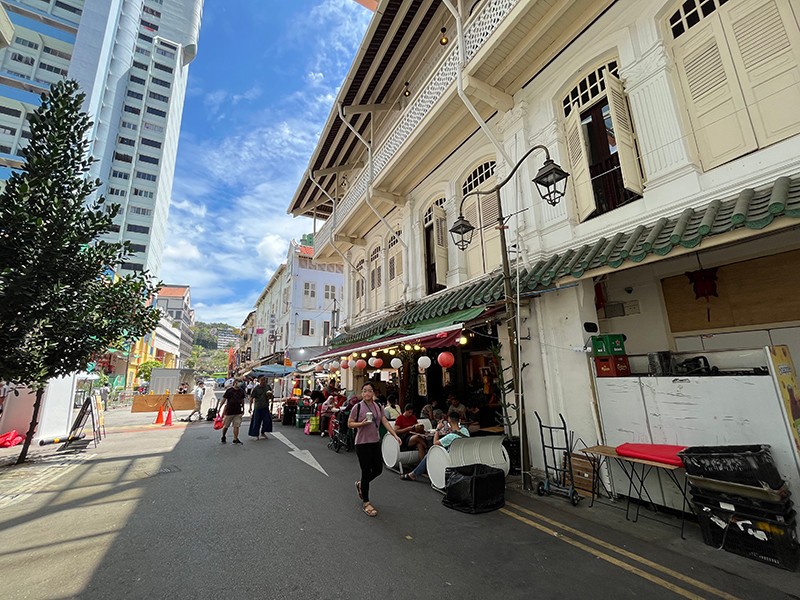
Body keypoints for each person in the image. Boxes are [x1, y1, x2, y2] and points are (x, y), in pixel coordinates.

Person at [349, 382, 401, 517]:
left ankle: (361, 484)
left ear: (373, 393)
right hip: (361, 443)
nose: (367, 393)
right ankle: (366, 502)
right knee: (366, 471)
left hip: (375, 442)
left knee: (378, 469)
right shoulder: (357, 407)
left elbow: (384, 420)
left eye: (370, 391)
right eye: (364, 391)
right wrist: (361, 424)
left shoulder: (378, 406)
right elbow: (349, 423)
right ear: (361, 393)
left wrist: (394, 435)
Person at [401, 409, 469, 481]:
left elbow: (435, 443)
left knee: (430, 453)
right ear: (459, 420)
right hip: (462, 456)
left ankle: (413, 474)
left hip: (449, 458)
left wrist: (437, 429)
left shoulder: (451, 436)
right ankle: (415, 473)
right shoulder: (465, 430)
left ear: (449, 421)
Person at [220, 379, 246, 444]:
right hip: (229, 411)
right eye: (238, 382)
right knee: (226, 426)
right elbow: (224, 399)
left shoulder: (241, 391)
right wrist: (220, 407)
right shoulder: (229, 391)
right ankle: (223, 436)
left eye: (240, 382)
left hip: (238, 411)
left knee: (236, 425)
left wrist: (243, 408)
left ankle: (235, 438)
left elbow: (242, 400)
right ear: (235, 383)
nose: (239, 383)